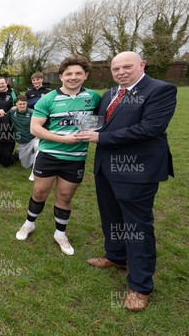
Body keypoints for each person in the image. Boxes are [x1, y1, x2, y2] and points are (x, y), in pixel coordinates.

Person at [77, 51, 177, 312]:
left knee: (137, 225)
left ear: (141, 65)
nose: (121, 72)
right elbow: (100, 123)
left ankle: (141, 286)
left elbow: (150, 128)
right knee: (111, 216)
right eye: (115, 68)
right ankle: (116, 256)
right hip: (106, 168)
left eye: (127, 67)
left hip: (137, 170)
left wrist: (101, 139)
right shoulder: (111, 94)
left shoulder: (160, 90)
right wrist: (76, 126)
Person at [15, 55, 100, 257]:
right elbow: (35, 129)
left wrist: (94, 134)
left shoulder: (94, 98)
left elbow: (99, 123)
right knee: (39, 193)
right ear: (61, 76)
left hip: (76, 157)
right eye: (68, 73)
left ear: (85, 75)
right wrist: (63, 139)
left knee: (64, 196)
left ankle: (60, 233)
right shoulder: (49, 99)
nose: (73, 77)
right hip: (49, 155)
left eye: (78, 73)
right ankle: (29, 224)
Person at [7, 95, 39, 181]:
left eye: (24, 104)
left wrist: (39, 133)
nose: (22, 106)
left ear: (27, 103)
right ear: (16, 104)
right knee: (25, 165)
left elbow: (42, 123)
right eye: (20, 104)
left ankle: (37, 162)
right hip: (22, 141)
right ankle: (22, 153)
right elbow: (4, 118)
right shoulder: (12, 112)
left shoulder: (32, 112)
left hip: (33, 138)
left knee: (38, 147)